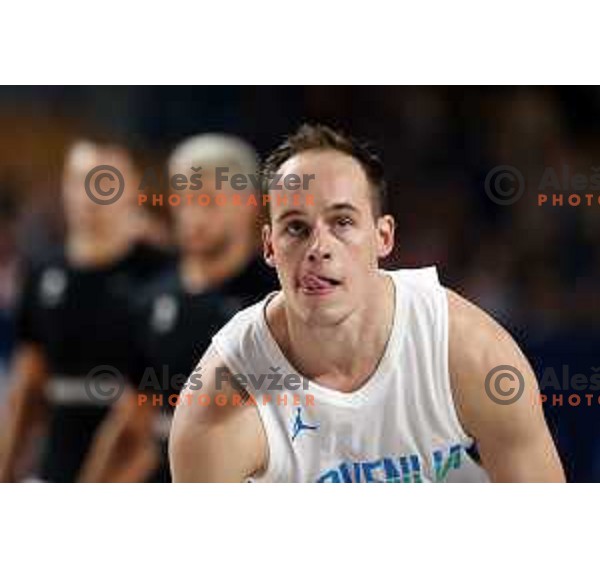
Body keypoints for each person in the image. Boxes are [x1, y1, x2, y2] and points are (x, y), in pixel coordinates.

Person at [169, 124, 565, 483]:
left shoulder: (467, 350)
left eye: (342, 222)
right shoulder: (219, 403)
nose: (319, 247)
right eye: (296, 227)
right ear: (270, 246)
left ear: (383, 237)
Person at [80, 134, 277, 482]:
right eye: (184, 200)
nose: (192, 216)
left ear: (248, 202)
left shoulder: (275, 300)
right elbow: (131, 422)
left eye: (209, 202)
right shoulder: (151, 297)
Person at [0, 138, 171, 483]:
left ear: (132, 188)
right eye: (82, 180)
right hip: (56, 471)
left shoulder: (165, 275)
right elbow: (27, 387)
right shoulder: (43, 272)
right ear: (65, 188)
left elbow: (151, 410)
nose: (93, 194)